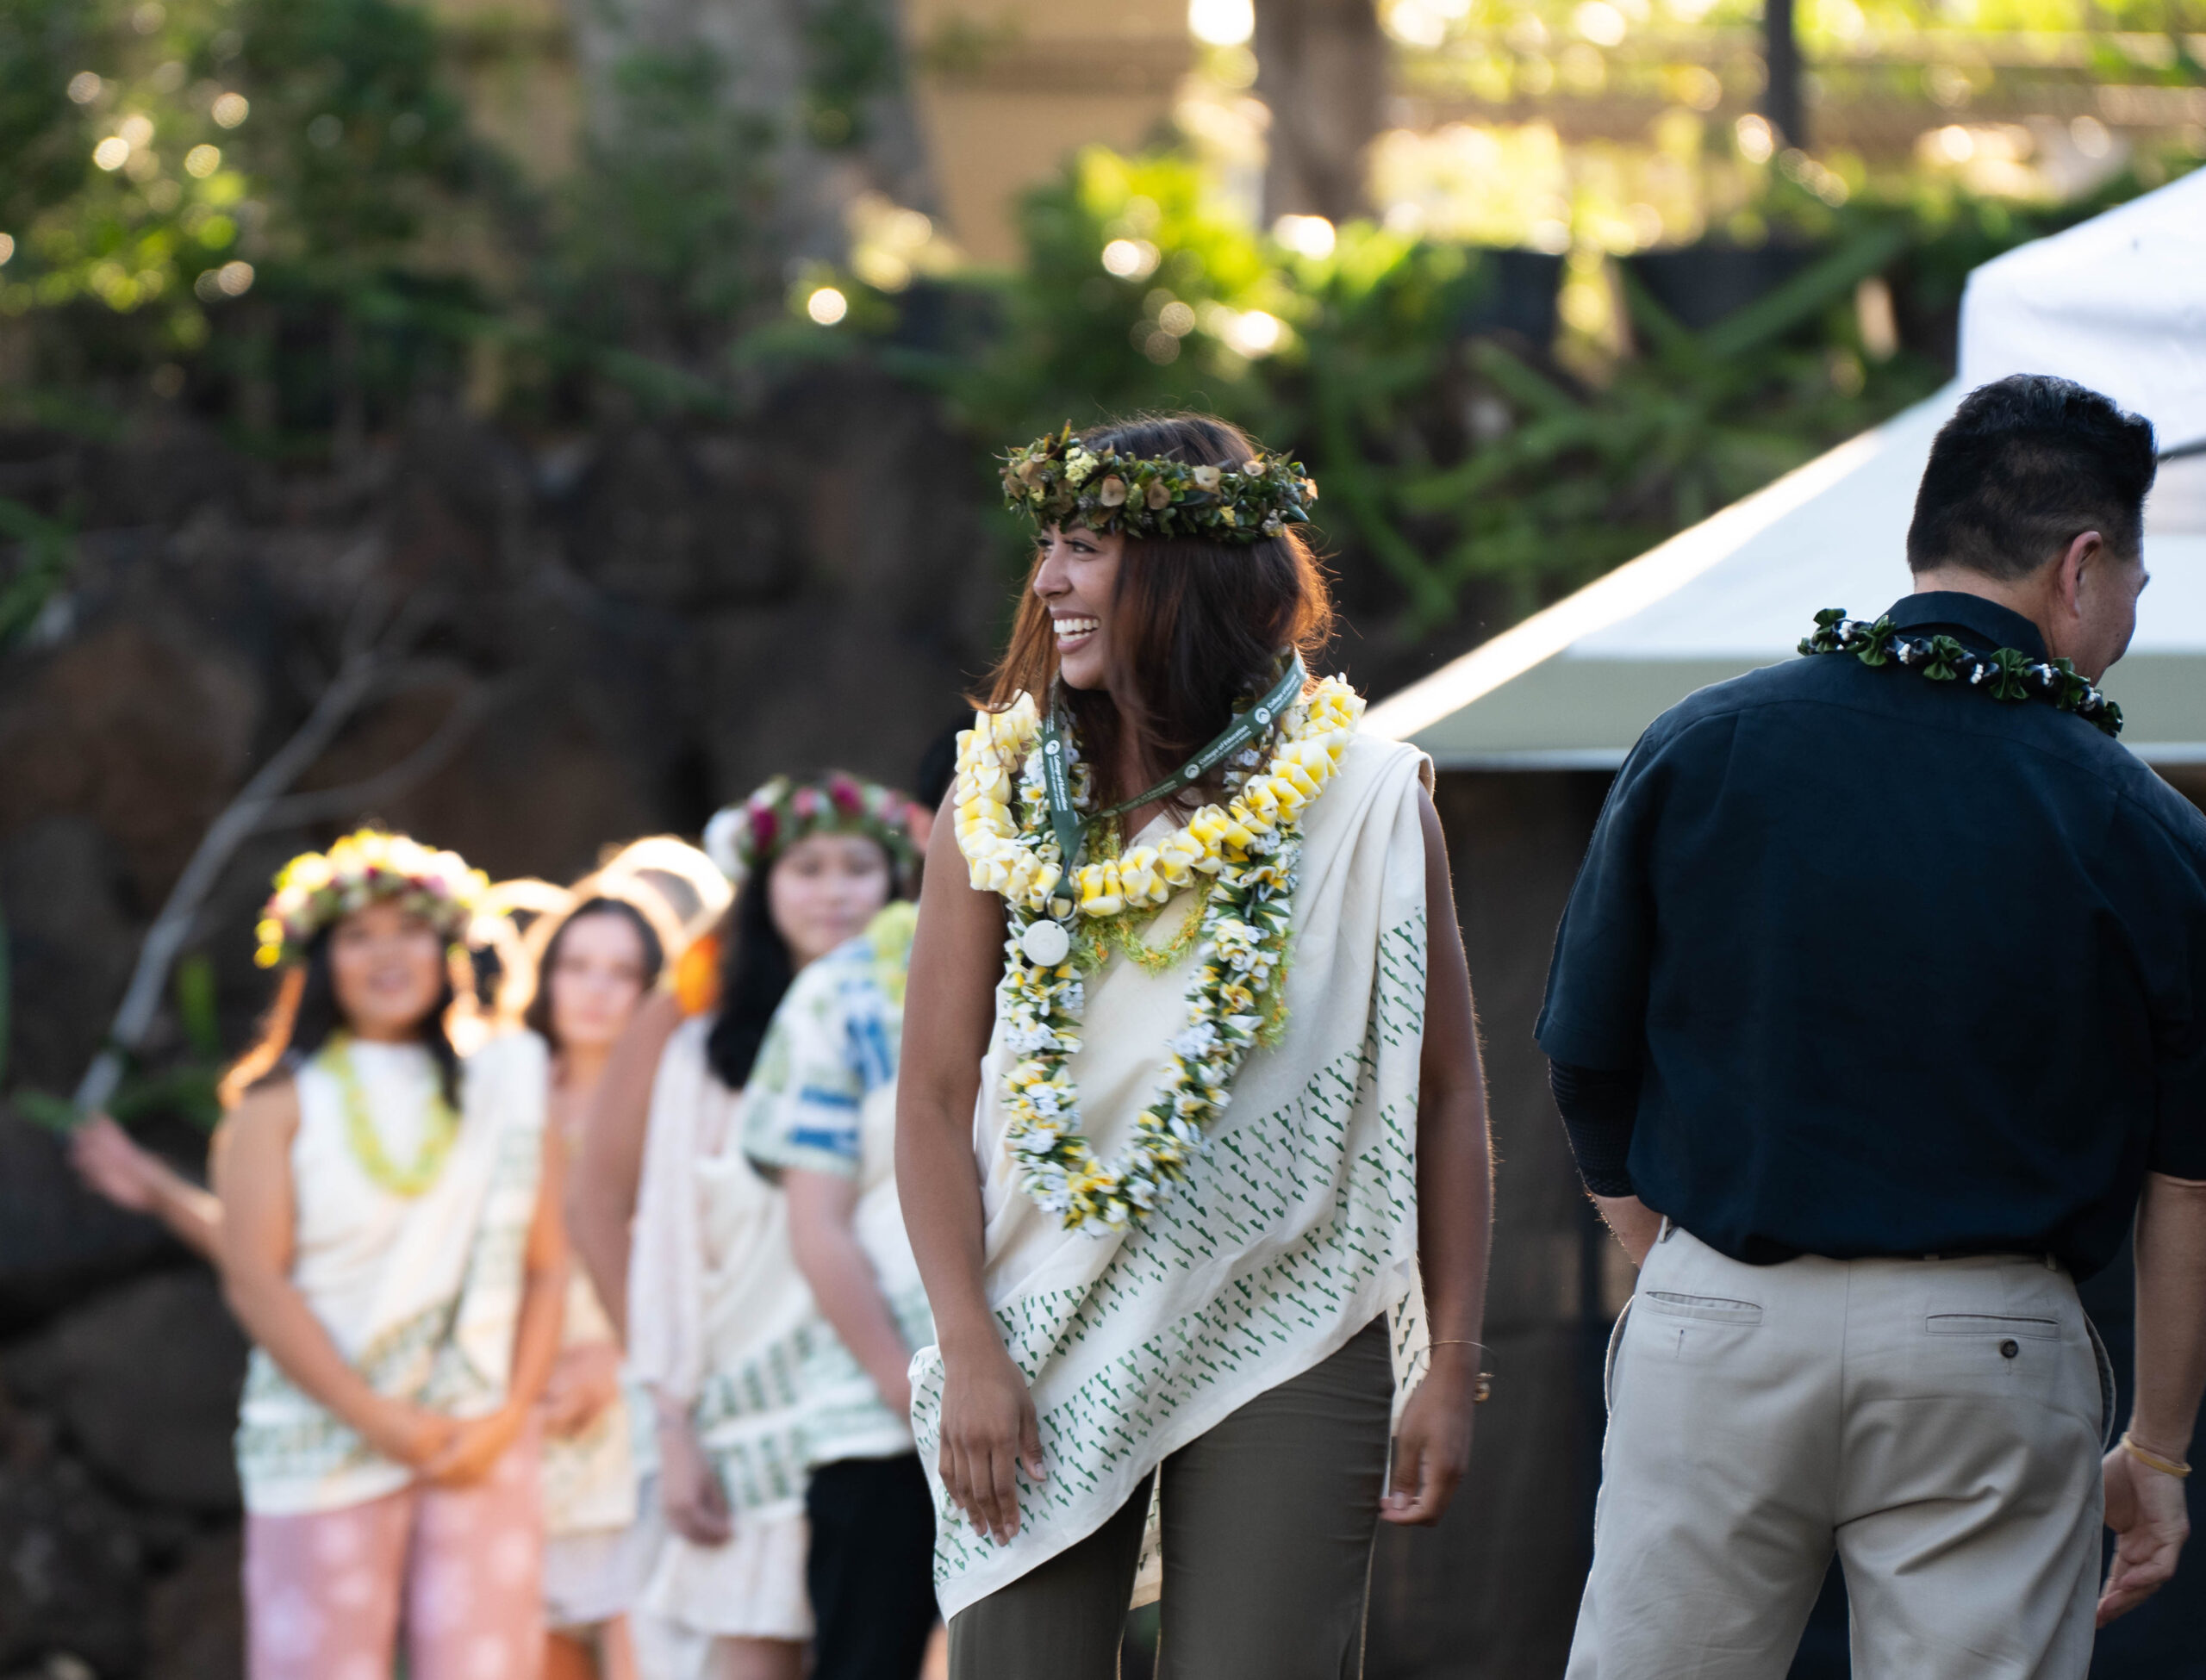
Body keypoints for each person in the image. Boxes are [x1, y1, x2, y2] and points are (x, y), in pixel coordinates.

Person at [1540, 374, 2206, 1679]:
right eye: (2136, 578)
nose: (2130, 616)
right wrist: (2163, 1452)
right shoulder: (2144, 825)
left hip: (1716, 1314)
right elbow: (2186, 1186)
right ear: (2082, 564)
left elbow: (1584, 1055)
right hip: (1990, 1348)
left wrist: (1672, 1252)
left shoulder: (1701, 744)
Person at [897, 414, 1493, 1679]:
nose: (1049, 580)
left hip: (1293, 1307)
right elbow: (935, 1096)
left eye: (1088, 548)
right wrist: (968, 1348)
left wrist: (1453, 1360)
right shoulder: (995, 803)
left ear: (1192, 573)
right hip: (1037, 1323)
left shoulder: (1366, 799)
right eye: (1047, 547)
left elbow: (1445, 1095)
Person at [576, 775, 918, 1680]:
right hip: (739, 1404)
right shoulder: (695, 1037)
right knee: (752, 1647)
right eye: (806, 867)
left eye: (859, 867)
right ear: (760, 889)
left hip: (864, 1394)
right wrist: (672, 1414)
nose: (836, 890)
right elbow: (625, 1224)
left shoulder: (917, 1021)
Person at [212, 829, 566, 1680]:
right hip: (320, 1434)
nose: (386, 954)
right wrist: (384, 1422)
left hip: (478, 1425)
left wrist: (509, 1417)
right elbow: (255, 1281)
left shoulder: (510, 1075)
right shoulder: (276, 1102)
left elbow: (546, 1264)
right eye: (358, 936)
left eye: (406, 930)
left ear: (444, 945)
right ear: (320, 957)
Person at [743, 784, 946, 1680]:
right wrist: (910, 1392)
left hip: (1056, 1405)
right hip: (881, 1420)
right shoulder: (842, 993)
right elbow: (816, 1222)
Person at [525, 893, 670, 1680]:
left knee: (641, 1649)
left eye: (622, 972)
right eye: (576, 965)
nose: (594, 989)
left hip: (633, 1405)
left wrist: (614, 1361)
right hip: (517, 1408)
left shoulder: (674, 1098)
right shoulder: (497, 1090)